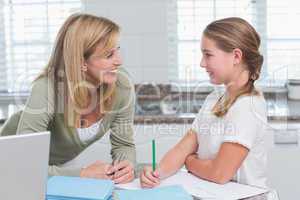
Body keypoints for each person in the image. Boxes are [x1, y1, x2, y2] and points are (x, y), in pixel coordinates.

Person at [0, 13, 136, 184]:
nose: (119, 61)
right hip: (10, 162)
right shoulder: (47, 88)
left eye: (118, 50)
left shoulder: (121, 85)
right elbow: (26, 165)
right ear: (81, 62)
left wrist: (126, 166)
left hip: (54, 167)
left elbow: (123, 144)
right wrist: (81, 174)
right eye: (108, 55)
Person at [140, 17, 268, 188]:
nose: (202, 63)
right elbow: (183, 149)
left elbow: (219, 173)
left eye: (208, 55)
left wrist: (190, 162)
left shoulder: (247, 106)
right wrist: (156, 173)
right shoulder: (215, 98)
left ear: (236, 56)